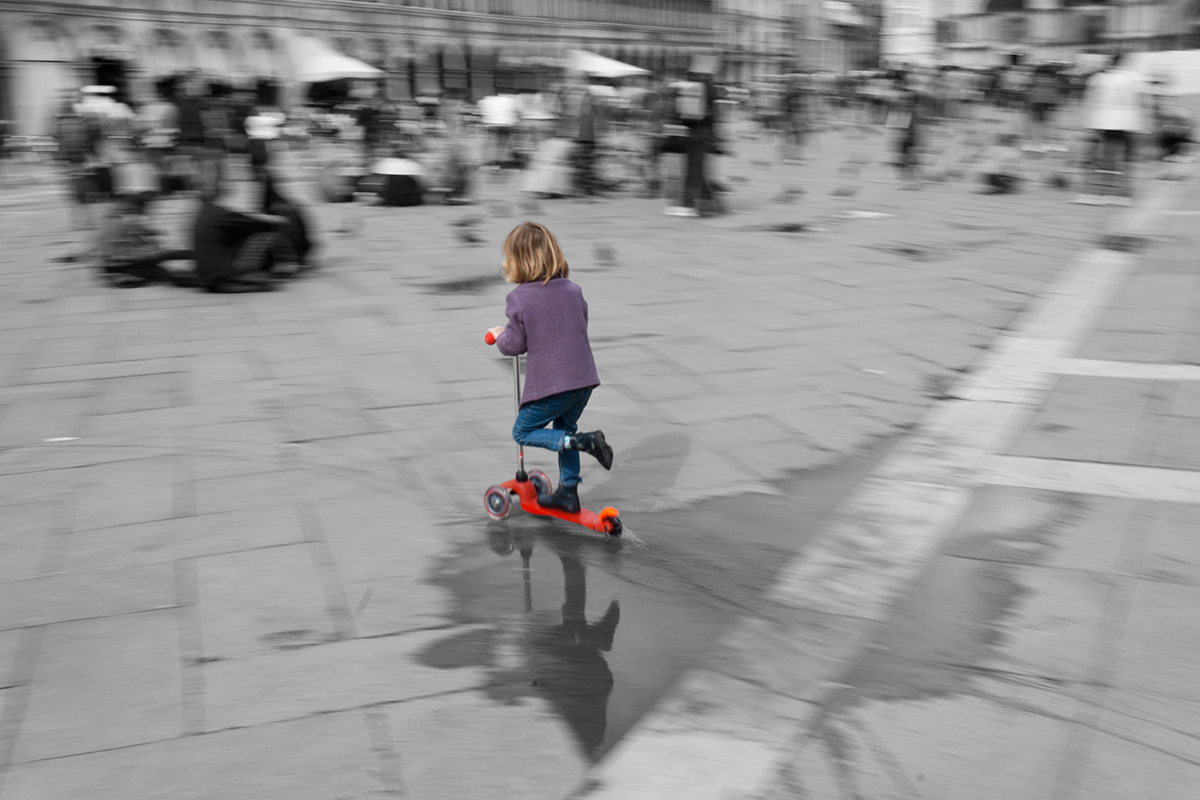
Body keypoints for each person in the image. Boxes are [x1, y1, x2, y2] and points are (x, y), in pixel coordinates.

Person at [486, 222, 615, 514]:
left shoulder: (520, 298)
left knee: (523, 431)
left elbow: (514, 344)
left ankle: (581, 442)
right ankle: (568, 493)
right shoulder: (573, 290)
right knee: (565, 425)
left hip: (555, 385)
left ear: (519, 262)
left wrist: (499, 335)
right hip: (583, 381)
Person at [1077, 51, 1151, 205]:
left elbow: (1089, 101)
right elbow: (1144, 102)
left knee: (1099, 157)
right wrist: (1146, 122)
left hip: (1102, 121)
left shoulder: (1098, 78)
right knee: (1126, 159)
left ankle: (1095, 193)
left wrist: (1085, 121)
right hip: (1128, 123)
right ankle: (1121, 195)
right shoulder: (1135, 78)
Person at [96, 193, 196, 287]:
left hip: (111, 266)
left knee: (164, 259)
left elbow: (138, 237)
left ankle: (198, 259)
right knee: (166, 267)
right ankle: (200, 260)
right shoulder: (128, 219)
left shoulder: (112, 218)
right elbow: (141, 237)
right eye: (150, 207)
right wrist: (155, 241)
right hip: (125, 266)